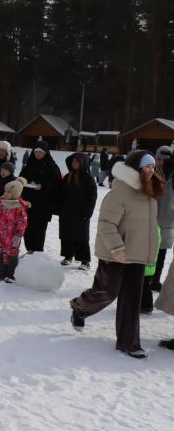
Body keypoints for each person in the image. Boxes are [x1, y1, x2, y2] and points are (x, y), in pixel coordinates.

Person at [70, 151, 163, 359]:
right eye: (147, 166)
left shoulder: (150, 194)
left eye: (153, 167)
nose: (152, 170)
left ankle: (129, 343)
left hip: (137, 256)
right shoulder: (119, 193)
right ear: (136, 168)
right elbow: (105, 224)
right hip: (115, 255)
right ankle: (80, 307)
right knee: (106, 293)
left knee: (132, 300)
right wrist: (117, 249)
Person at [19, 141, 62, 253]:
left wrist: (43, 186)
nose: (38, 154)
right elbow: (20, 178)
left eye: (40, 152)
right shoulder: (29, 164)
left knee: (39, 229)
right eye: (36, 151)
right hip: (28, 201)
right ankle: (29, 249)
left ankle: (37, 252)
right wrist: (22, 182)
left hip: (44, 203)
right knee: (27, 227)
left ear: (45, 153)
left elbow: (57, 184)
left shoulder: (52, 166)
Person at [59, 153, 97, 270]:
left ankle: (85, 261)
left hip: (81, 213)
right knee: (66, 235)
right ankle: (68, 256)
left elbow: (92, 197)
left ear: (82, 163)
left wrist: (87, 213)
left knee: (81, 236)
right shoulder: (67, 177)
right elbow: (60, 194)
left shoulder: (88, 178)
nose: (74, 163)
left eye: (77, 161)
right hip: (66, 212)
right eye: (73, 161)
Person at [0, 177, 29, 283]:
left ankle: (11, 275)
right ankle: (0, 274)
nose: (6, 194)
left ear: (15, 194)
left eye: (9, 192)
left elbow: (22, 222)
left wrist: (18, 236)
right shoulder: (1, 206)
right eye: (5, 191)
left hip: (12, 238)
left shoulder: (18, 207)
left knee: (11, 257)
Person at [151, 146, 174, 293]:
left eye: (162, 160)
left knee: (161, 253)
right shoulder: (150, 172)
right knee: (148, 252)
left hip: (167, 219)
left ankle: (155, 280)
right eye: (157, 159)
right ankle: (145, 279)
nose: (159, 162)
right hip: (150, 218)